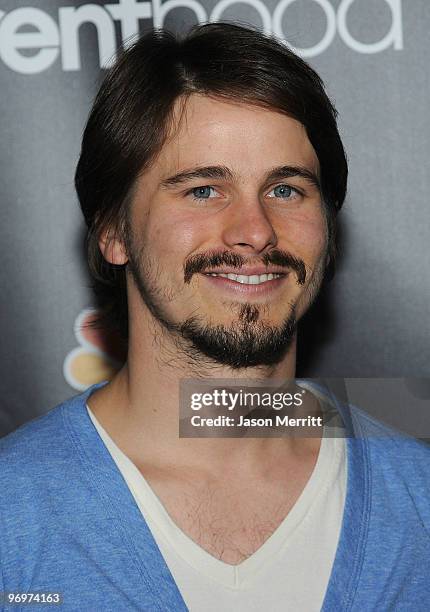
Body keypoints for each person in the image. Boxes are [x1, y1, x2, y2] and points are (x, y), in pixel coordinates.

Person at [1, 23, 429, 612]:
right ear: (112, 230)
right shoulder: (11, 513)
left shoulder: (420, 499)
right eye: (203, 189)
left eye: (286, 189)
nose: (254, 231)